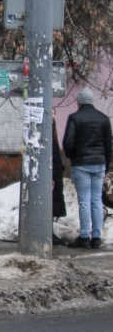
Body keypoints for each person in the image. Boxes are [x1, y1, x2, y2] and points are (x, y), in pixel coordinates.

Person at [62, 87, 113, 249]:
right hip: (99, 164)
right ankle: (96, 237)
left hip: (81, 164)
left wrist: (72, 156)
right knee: (96, 200)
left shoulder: (75, 118)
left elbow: (68, 142)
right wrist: (105, 164)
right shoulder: (104, 119)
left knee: (84, 201)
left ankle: (84, 236)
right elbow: (108, 144)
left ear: (79, 102)